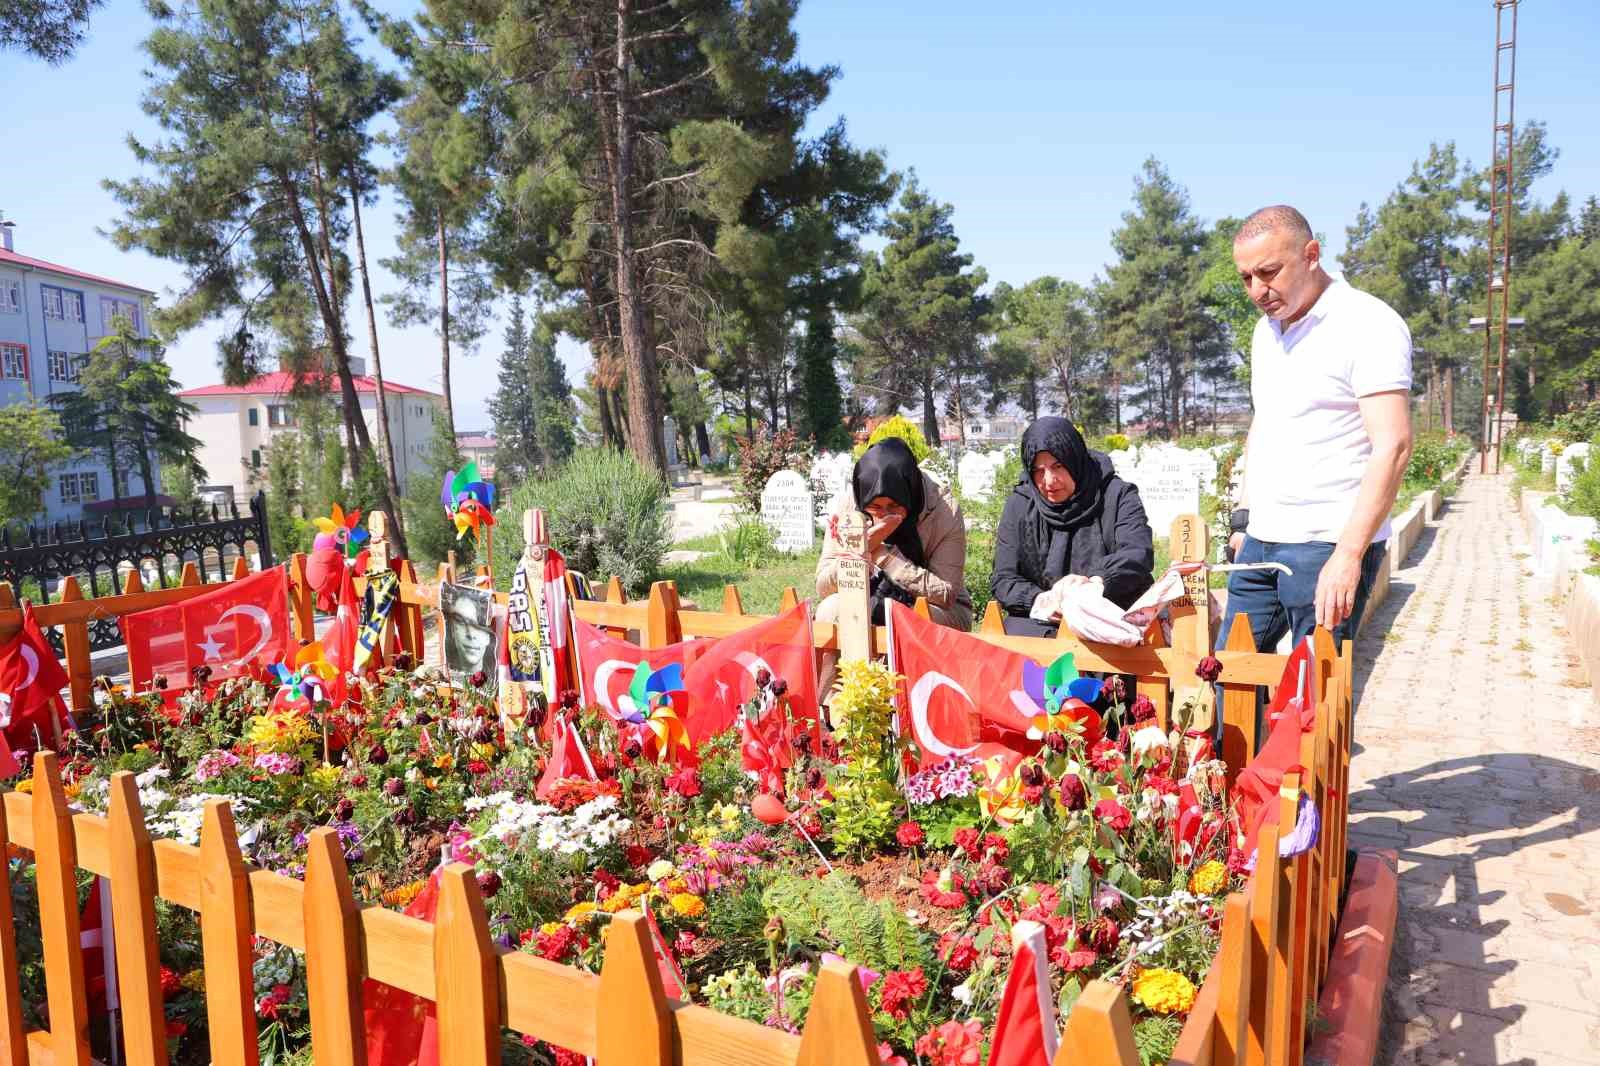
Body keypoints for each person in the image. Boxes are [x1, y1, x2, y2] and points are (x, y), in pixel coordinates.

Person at [1221, 205, 1412, 653]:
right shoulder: (1265, 332)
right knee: (1228, 675)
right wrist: (1244, 517)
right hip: (1262, 538)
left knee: (1313, 698)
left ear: (1311, 254)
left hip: (1327, 542)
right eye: (1246, 277)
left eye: (1269, 272)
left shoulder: (1368, 324)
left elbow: (1394, 445)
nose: (1257, 290)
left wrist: (1349, 555)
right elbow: (1264, 422)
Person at [815, 438, 971, 690]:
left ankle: (916, 703)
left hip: (933, 607)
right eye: (875, 507)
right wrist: (859, 554)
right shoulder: (851, 504)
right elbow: (823, 585)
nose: (883, 514)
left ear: (909, 495)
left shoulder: (943, 509)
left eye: (894, 506)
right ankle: (836, 706)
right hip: (865, 594)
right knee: (830, 609)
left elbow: (946, 593)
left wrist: (885, 556)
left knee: (901, 616)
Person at [990, 416, 1155, 637]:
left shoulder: (1117, 495)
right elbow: (1004, 578)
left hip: (1109, 613)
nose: (1049, 481)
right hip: (1045, 622)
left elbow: (1137, 553)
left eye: (1058, 466)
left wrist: (1094, 583)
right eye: (1039, 470)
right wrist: (1043, 600)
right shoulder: (1021, 503)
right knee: (1016, 645)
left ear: (1074, 459)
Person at [441, 581, 497, 690]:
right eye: (462, 623)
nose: (470, 635)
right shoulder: (450, 679)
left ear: (487, 636)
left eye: (477, 625)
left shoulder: (495, 684)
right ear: (453, 630)